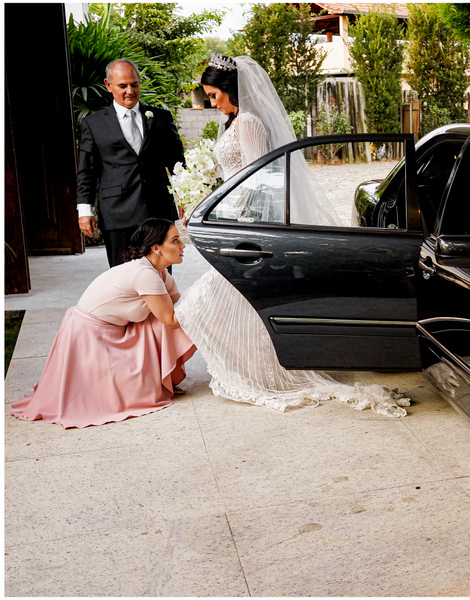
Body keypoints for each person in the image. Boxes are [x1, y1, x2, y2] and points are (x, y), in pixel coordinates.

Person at [175, 54, 409, 417]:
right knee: (239, 300)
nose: (211, 103)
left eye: (214, 95)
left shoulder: (250, 123)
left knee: (216, 297)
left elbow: (260, 179)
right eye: (208, 96)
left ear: (231, 90)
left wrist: (233, 213)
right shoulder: (230, 122)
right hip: (232, 219)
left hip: (245, 223)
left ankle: (266, 370)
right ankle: (256, 366)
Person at [11, 220, 196, 428]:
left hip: (116, 331)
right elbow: (172, 320)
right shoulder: (144, 274)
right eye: (175, 240)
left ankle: (164, 378)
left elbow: (181, 307)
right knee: (168, 320)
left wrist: (202, 302)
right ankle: (151, 382)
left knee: (170, 318)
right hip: (88, 335)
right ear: (156, 248)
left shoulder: (161, 273)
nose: (183, 246)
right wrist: (204, 295)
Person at [77, 59, 185, 268]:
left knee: (160, 275)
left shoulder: (161, 118)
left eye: (134, 84)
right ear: (109, 85)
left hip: (158, 211)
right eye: (123, 85)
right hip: (118, 212)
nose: (130, 91)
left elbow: (177, 162)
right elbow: (87, 171)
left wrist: (185, 198)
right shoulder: (94, 124)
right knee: (123, 277)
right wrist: (85, 210)